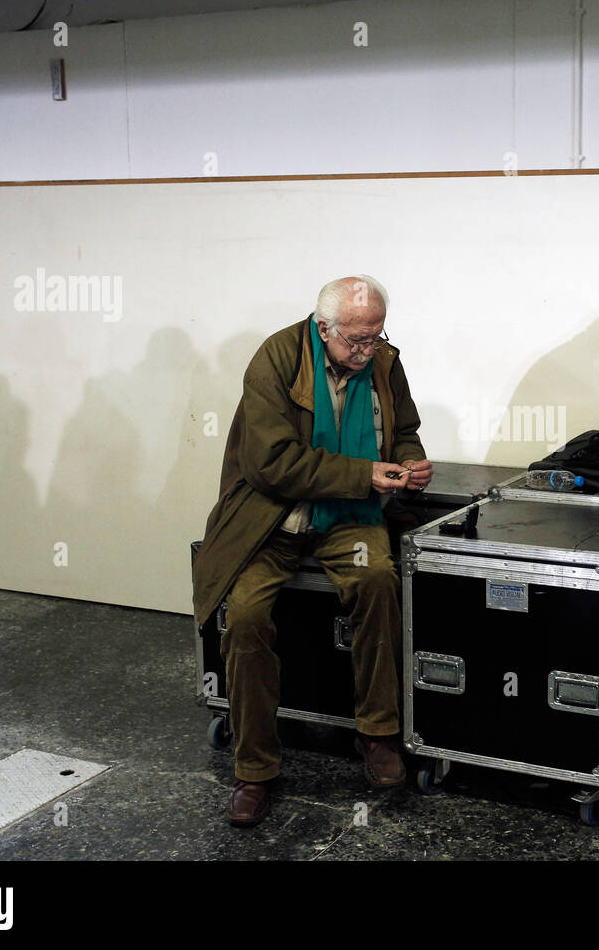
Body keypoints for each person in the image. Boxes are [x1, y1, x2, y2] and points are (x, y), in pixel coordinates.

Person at [191, 274, 432, 827]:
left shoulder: (385, 364)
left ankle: (377, 734)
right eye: (356, 340)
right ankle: (254, 769)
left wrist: (412, 462)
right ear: (323, 329)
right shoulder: (275, 359)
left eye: (376, 336)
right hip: (273, 517)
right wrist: (362, 472)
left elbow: (406, 430)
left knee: (378, 583)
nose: (368, 350)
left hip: (350, 515)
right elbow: (269, 462)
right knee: (247, 616)